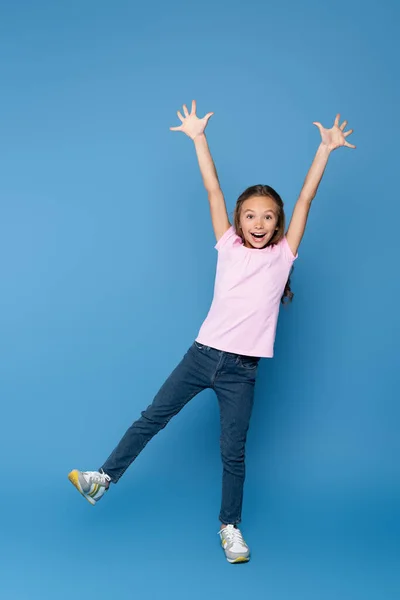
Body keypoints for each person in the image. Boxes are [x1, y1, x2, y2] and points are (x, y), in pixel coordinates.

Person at [68, 101, 355, 563]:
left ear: (278, 224)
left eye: (267, 217)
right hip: (201, 356)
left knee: (233, 453)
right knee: (151, 419)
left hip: (241, 370)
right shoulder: (227, 245)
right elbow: (212, 188)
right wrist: (199, 138)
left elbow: (305, 199)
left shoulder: (283, 256)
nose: (258, 223)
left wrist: (324, 150)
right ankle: (101, 479)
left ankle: (230, 527)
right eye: (250, 216)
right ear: (238, 222)